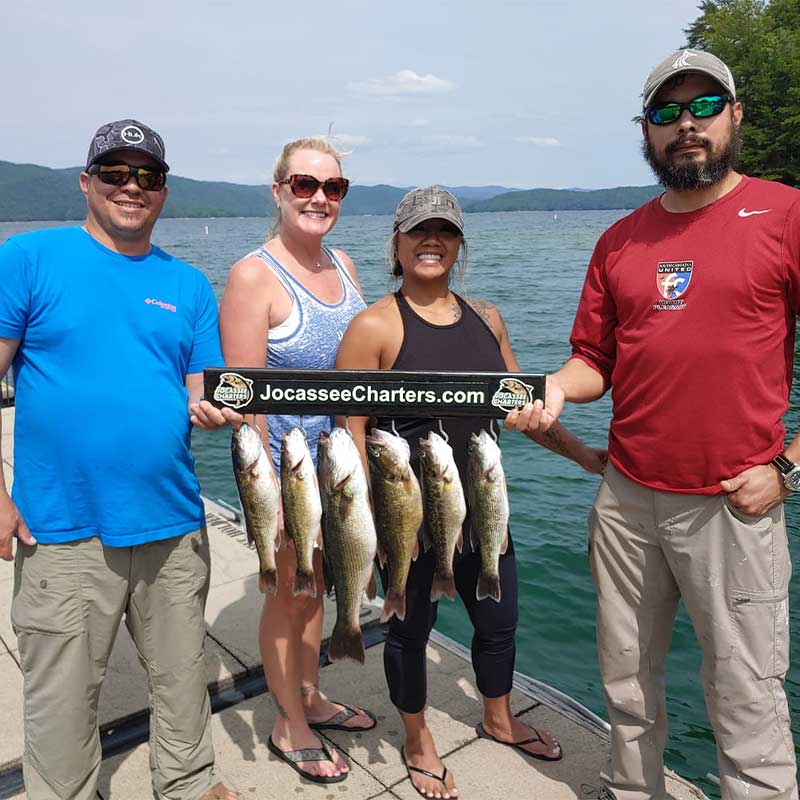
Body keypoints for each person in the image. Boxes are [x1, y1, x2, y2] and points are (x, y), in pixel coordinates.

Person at [506, 50, 800, 800]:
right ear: (647, 131)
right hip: (628, 499)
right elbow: (592, 360)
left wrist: (789, 467)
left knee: (745, 695)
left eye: (704, 108)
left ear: (736, 116)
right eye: (667, 114)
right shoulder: (620, 241)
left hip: (735, 501)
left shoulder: (786, 214)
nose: (687, 126)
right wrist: (555, 390)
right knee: (627, 683)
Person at [336, 186, 607, 799]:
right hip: (409, 510)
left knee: (499, 620)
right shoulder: (374, 325)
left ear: (460, 245)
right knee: (408, 629)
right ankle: (417, 738)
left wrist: (583, 454)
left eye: (446, 232)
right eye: (418, 232)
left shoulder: (487, 318)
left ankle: (499, 716)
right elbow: (349, 433)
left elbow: (523, 406)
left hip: (482, 505)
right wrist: (368, 524)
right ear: (397, 243)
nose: (432, 242)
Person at [0, 119, 241, 800]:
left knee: (182, 675)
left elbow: (201, 387)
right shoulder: (27, 257)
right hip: (63, 528)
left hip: (171, 520)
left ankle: (189, 784)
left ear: (164, 192)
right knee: (62, 697)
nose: (132, 187)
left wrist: (217, 408)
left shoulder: (190, 284)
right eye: (115, 173)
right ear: (87, 182)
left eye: (149, 177)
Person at [218, 137, 375, 784]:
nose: (318, 197)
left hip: (337, 466)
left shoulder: (344, 262)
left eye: (332, 187)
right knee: (288, 596)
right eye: (304, 184)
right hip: (283, 472)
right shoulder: (252, 276)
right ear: (278, 190)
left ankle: (309, 692)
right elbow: (247, 397)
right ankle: (288, 721)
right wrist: (273, 503)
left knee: (320, 591)